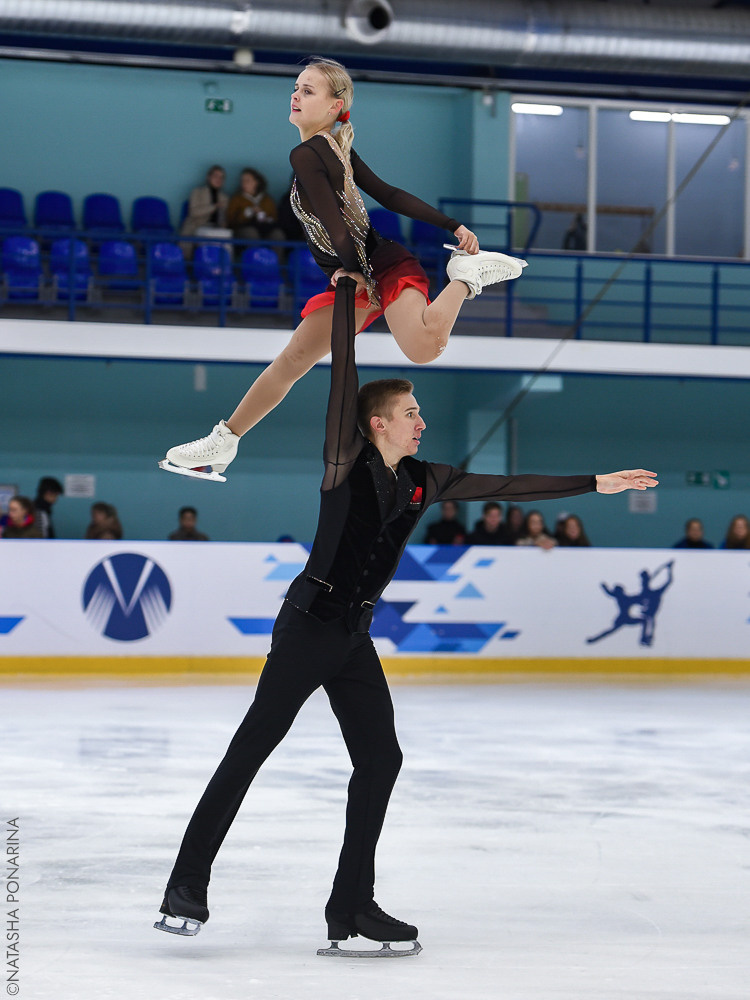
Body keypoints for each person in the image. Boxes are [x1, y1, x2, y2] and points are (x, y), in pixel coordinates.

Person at [154, 278, 658, 955]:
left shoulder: (425, 478)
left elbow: (508, 487)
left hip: (352, 637)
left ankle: (351, 905)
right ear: (377, 424)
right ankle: (185, 886)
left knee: (382, 758)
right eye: (410, 412)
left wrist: (594, 483)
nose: (420, 420)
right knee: (252, 748)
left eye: (419, 412)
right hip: (307, 627)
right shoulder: (344, 462)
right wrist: (342, 305)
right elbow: (343, 380)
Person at [159, 56, 528, 482]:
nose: (296, 95)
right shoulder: (333, 146)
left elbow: (354, 216)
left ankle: (466, 276)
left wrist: (437, 233)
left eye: (308, 90)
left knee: (424, 348)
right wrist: (448, 226)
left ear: (335, 106)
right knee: (293, 359)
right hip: (357, 273)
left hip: (377, 266)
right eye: (296, 87)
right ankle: (224, 441)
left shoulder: (310, 152)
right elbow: (385, 197)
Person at [226, 168, 285, 243]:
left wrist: (263, 216)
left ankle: (274, 255)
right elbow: (231, 220)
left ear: (256, 182)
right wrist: (248, 212)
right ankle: (255, 254)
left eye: (247, 181)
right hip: (244, 229)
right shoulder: (237, 199)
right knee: (251, 233)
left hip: (265, 229)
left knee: (278, 234)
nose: (244, 183)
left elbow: (274, 218)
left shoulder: (267, 200)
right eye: (242, 181)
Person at [180, 165, 229, 249]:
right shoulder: (197, 192)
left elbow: (225, 217)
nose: (219, 179)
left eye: (222, 177)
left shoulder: (225, 198)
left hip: (217, 228)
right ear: (208, 177)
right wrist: (214, 206)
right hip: (197, 226)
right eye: (216, 176)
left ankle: (225, 261)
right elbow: (194, 212)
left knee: (227, 235)